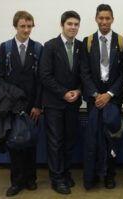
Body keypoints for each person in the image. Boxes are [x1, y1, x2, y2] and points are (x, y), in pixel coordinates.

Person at [0, 11, 42, 197]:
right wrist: (15, 94)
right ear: (16, 26)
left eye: (30, 26)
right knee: (15, 143)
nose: (26, 29)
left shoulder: (38, 49)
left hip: (32, 106)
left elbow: (41, 80)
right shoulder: (5, 48)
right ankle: (17, 182)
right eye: (23, 26)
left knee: (30, 142)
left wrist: (37, 105)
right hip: (12, 105)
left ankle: (31, 179)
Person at [81, 4, 123, 190]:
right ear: (96, 19)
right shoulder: (88, 41)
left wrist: (108, 94)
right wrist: (95, 94)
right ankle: (94, 175)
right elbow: (83, 73)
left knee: (112, 138)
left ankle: (110, 174)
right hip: (94, 99)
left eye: (108, 18)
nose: (104, 21)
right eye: (101, 18)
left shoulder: (122, 42)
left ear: (112, 19)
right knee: (94, 138)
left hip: (113, 99)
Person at [40, 11, 82, 195]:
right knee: (55, 142)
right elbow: (45, 75)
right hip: (54, 104)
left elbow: (84, 74)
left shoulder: (81, 47)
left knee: (69, 140)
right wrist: (64, 93)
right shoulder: (50, 46)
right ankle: (57, 179)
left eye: (76, 24)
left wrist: (79, 91)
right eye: (69, 24)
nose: (73, 27)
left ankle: (65, 172)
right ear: (62, 25)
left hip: (73, 103)